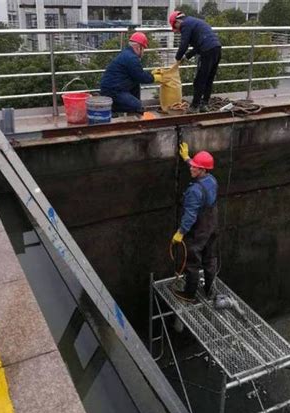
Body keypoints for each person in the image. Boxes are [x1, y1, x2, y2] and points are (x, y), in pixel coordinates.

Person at [172, 142, 218, 303]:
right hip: (211, 225)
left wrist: (180, 232)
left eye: (194, 167)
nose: (191, 168)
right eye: (192, 166)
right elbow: (197, 167)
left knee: (192, 261)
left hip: (198, 229)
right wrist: (187, 158)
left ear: (203, 170)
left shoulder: (194, 192)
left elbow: (190, 216)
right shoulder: (212, 180)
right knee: (210, 258)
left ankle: (190, 294)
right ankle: (209, 289)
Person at [169, 11, 222, 113]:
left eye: (175, 27)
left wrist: (177, 58)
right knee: (209, 79)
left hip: (207, 51)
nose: (177, 30)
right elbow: (198, 45)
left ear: (177, 21)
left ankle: (194, 106)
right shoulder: (195, 21)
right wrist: (187, 56)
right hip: (217, 49)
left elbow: (184, 44)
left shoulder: (185, 24)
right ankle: (204, 104)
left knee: (200, 80)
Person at [100, 32, 162, 114]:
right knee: (136, 106)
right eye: (143, 48)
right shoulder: (132, 58)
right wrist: (154, 77)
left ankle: (128, 108)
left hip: (114, 88)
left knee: (135, 84)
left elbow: (137, 74)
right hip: (113, 92)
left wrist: (151, 73)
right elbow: (140, 77)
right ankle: (111, 107)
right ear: (138, 47)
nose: (143, 52)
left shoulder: (127, 54)